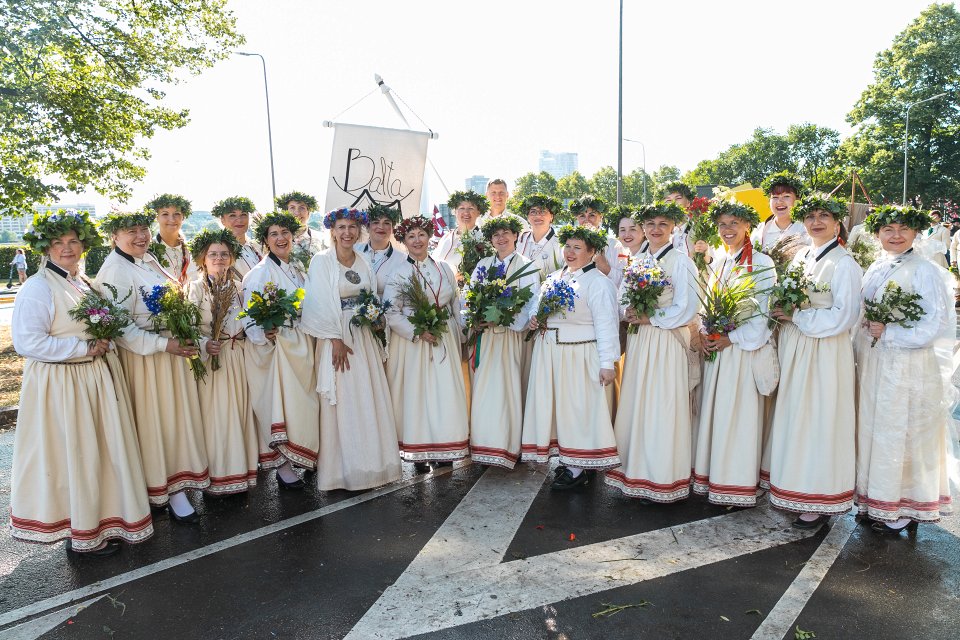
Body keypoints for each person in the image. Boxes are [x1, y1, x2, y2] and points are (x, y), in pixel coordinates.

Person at [10, 210, 152, 556]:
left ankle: (103, 521)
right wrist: (82, 348)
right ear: (45, 248)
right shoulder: (38, 286)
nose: (67, 248)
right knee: (76, 455)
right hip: (65, 384)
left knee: (99, 454)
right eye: (58, 243)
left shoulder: (81, 281)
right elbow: (28, 342)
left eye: (73, 241)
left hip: (94, 380)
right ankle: (83, 535)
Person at [95, 211, 209, 523]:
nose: (141, 236)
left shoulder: (147, 260)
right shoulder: (115, 270)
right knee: (157, 426)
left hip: (169, 358)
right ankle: (168, 490)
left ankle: (176, 484)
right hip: (146, 364)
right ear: (114, 237)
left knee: (174, 423)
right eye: (131, 231)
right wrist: (165, 345)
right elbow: (120, 328)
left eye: (143, 229)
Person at [855, 205, 956, 534]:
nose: (895, 236)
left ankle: (907, 507)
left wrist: (891, 332)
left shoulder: (924, 270)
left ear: (915, 232)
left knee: (904, 431)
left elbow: (936, 322)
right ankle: (876, 500)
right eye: (888, 230)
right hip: (876, 362)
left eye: (902, 229)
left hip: (908, 365)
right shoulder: (875, 266)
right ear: (878, 234)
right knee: (876, 430)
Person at [768, 194, 862, 529]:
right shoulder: (801, 256)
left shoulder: (844, 264)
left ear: (838, 223)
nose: (816, 221)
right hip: (797, 346)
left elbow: (845, 316)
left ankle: (820, 495)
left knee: (820, 419)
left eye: (824, 215)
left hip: (824, 351)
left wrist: (798, 317)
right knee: (797, 417)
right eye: (810, 216)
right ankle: (795, 487)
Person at [301, 208, 402, 491]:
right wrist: (335, 340)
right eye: (342, 227)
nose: (347, 233)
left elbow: (369, 294)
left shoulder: (363, 260)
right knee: (343, 401)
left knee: (367, 396)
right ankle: (344, 472)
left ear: (360, 232)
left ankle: (374, 467)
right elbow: (317, 303)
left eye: (353, 227)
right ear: (332, 231)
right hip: (338, 337)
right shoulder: (321, 261)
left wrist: (378, 318)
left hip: (364, 336)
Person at [606, 203, 698, 502]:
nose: (656, 229)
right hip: (641, 341)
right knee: (639, 402)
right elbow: (621, 298)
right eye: (650, 224)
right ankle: (638, 473)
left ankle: (662, 478)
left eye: (663, 223)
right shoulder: (639, 259)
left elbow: (687, 307)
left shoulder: (682, 261)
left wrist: (652, 318)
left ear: (673, 227)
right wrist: (630, 311)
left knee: (662, 405)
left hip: (667, 340)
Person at [521, 225, 621, 489]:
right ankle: (568, 460)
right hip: (550, 354)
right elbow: (537, 304)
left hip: (579, 355)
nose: (570, 252)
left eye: (578, 247)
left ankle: (578, 466)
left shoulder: (599, 282)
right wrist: (534, 318)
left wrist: (607, 363)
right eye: (567, 246)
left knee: (577, 410)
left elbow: (607, 324)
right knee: (557, 410)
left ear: (592, 252)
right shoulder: (554, 276)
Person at [693, 201, 776, 507]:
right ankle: (715, 477)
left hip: (741, 352)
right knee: (715, 415)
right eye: (723, 225)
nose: (728, 230)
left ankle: (736, 484)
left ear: (747, 227)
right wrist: (704, 331)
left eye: (734, 224)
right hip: (717, 351)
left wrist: (733, 339)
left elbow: (764, 315)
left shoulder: (763, 263)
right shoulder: (719, 261)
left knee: (736, 417)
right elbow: (707, 302)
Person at [242, 211, 319, 490]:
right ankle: (283, 466)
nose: (280, 238)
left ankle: (304, 455)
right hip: (273, 349)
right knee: (276, 405)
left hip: (298, 345)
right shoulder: (259, 273)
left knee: (301, 404)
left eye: (285, 233)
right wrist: (263, 334)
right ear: (265, 240)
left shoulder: (298, 268)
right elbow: (249, 315)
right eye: (274, 234)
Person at [384, 216, 469, 470]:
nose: (417, 240)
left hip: (444, 336)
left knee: (444, 393)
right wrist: (417, 331)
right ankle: (419, 450)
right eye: (411, 237)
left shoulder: (444, 267)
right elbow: (391, 312)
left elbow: (455, 302)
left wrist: (463, 332)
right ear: (403, 241)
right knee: (418, 395)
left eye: (421, 235)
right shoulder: (398, 272)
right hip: (414, 343)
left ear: (429, 237)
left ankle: (444, 447)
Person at [186, 229, 258, 496]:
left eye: (224, 254)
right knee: (217, 417)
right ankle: (219, 476)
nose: (219, 258)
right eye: (213, 254)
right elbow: (189, 327)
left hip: (238, 356)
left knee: (240, 414)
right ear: (203, 259)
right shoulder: (195, 288)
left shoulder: (240, 288)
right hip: (215, 359)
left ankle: (243, 471)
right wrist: (205, 343)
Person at [465, 215, 540, 468]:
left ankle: (510, 445)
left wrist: (505, 319)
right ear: (490, 239)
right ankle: (484, 444)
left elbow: (532, 304)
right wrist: (475, 316)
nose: (501, 238)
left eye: (506, 232)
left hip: (511, 338)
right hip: (486, 337)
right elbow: (470, 295)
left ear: (516, 235)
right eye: (496, 234)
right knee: (485, 391)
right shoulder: (483, 264)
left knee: (509, 390)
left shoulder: (527, 265)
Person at [569, 195, 627, 289]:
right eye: (582, 216)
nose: (586, 220)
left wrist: (604, 266)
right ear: (577, 219)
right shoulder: (569, 246)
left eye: (592, 215)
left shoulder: (614, 245)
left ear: (601, 217)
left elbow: (625, 282)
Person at [432, 190, 488, 281]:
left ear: (478, 212)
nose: (466, 212)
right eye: (461, 208)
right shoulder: (445, 238)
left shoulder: (482, 239)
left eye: (471, 208)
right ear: (454, 211)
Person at [356, 202, 406, 295]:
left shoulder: (402, 259)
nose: (381, 227)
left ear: (392, 229)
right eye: (375, 222)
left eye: (386, 223)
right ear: (367, 227)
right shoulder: (354, 250)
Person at [751, 172, 810, 251]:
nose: (779, 201)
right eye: (775, 197)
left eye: (786, 196)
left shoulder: (807, 228)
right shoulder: (760, 230)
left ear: (797, 199)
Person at [146, 193, 195, 284]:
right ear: (157, 217)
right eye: (165, 214)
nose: (172, 219)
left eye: (177, 214)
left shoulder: (192, 250)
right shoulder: (148, 251)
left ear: (183, 217)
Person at [212, 195, 263, 277]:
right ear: (222, 220)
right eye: (232, 215)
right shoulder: (218, 250)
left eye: (243, 215)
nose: (239, 220)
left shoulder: (257, 247)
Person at [517, 194, 564, 278]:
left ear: (551, 216)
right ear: (527, 217)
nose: (538, 215)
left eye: (542, 211)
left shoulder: (561, 244)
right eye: (533, 212)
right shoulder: (520, 239)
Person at [276, 190, 328, 266]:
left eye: (302, 208)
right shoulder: (277, 240)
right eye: (292, 208)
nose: (297, 213)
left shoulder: (321, 238)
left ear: (308, 213)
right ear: (285, 212)